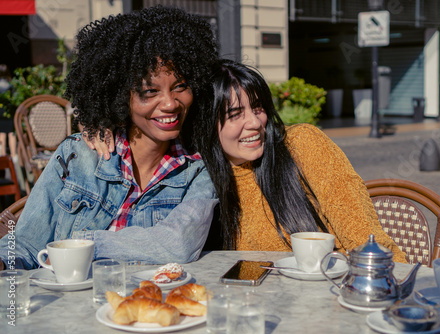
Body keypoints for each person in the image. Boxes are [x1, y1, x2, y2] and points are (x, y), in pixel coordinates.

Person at [0, 6, 220, 271]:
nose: (170, 103)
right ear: (118, 94)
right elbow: (24, 245)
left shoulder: (198, 168)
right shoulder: (77, 154)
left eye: (180, 86)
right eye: (149, 91)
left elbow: (178, 243)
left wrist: (78, 245)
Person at [191, 59, 406, 262]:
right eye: (235, 114)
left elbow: (363, 235)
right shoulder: (201, 179)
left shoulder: (301, 144)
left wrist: (386, 281)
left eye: (258, 107)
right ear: (208, 125)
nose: (255, 122)